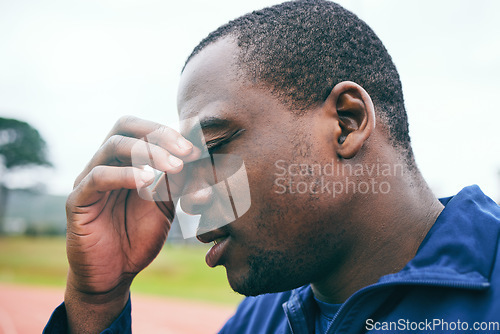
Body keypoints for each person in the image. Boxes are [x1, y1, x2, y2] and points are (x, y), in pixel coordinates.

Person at [44, 0, 500, 333]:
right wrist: (95, 304)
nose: (191, 197)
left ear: (347, 122)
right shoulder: (264, 318)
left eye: (216, 146)